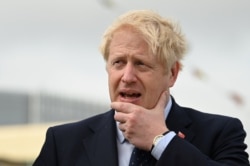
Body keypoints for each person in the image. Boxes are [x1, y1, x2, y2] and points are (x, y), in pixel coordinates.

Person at [33, 10, 249, 166]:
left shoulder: (221, 133)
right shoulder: (62, 143)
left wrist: (161, 140)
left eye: (141, 64)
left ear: (172, 73)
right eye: (118, 63)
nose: (127, 77)